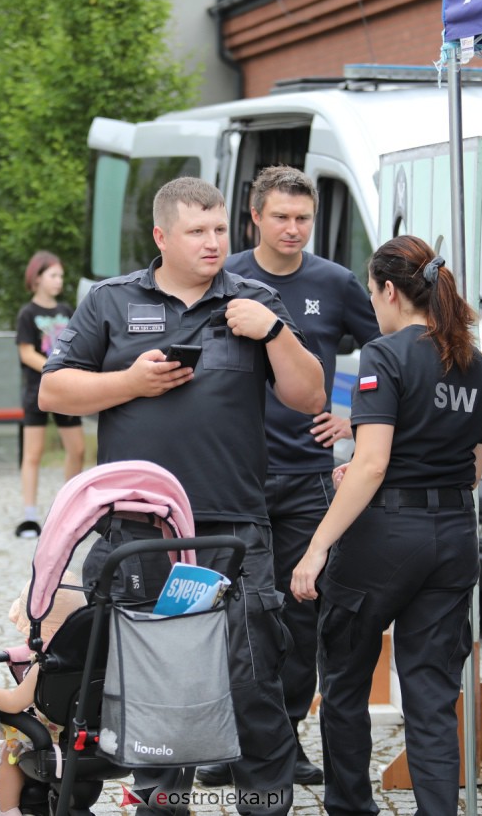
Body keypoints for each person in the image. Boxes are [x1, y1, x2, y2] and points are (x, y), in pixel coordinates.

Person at [39, 176, 326, 816]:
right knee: (156, 676)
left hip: (235, 527)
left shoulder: (255, 300)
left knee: (252, 676)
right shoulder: (112, 302)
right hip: (143, 529)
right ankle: (161, 803)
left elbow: (310, 397)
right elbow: (53, 391)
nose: (212, 242)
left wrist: (275, 333)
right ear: (162, 236)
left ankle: (265, 804)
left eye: (220, 229)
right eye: (197, 231)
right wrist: (130, 383)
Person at [290, 235, 482, 816]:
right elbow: (472, 471)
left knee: (345, 682)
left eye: (371, 294)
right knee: (432, 698)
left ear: (388, 291)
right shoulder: (478, 366)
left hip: (384, 538)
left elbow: (374, 464)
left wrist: (316, 548)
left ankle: (352, 807)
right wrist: (372, 467)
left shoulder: (384, 354)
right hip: (452, 536)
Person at [206, 165, 380, 787]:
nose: (293, 228)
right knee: (233, 615)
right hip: (235, 476)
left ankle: (284, 743)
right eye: (280, 216)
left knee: (301, 616)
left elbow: (389, 351)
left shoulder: (334, 283)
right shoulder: (224, 279)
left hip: (308, 476)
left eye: (303, 218)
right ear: (255, 217)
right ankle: (228, 745)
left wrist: (357, 417)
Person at [0, 575, 85, 816]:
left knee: (11, 751)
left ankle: (8, 809)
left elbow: (14, 703)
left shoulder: (45, 667)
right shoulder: (90, 656)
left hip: (52, 735)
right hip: (85, 732)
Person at [14, 252, 84, 538]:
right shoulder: (27, 313)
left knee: (77, 449)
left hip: (67, 391)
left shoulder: (67, 310)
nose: (59, 281)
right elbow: (26, 352)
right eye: (53, 275)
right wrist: (54, 369)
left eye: (61, 276)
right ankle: (30, 517)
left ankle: (68, 511)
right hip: (37, 392)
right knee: (33, 454)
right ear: (37, 278)